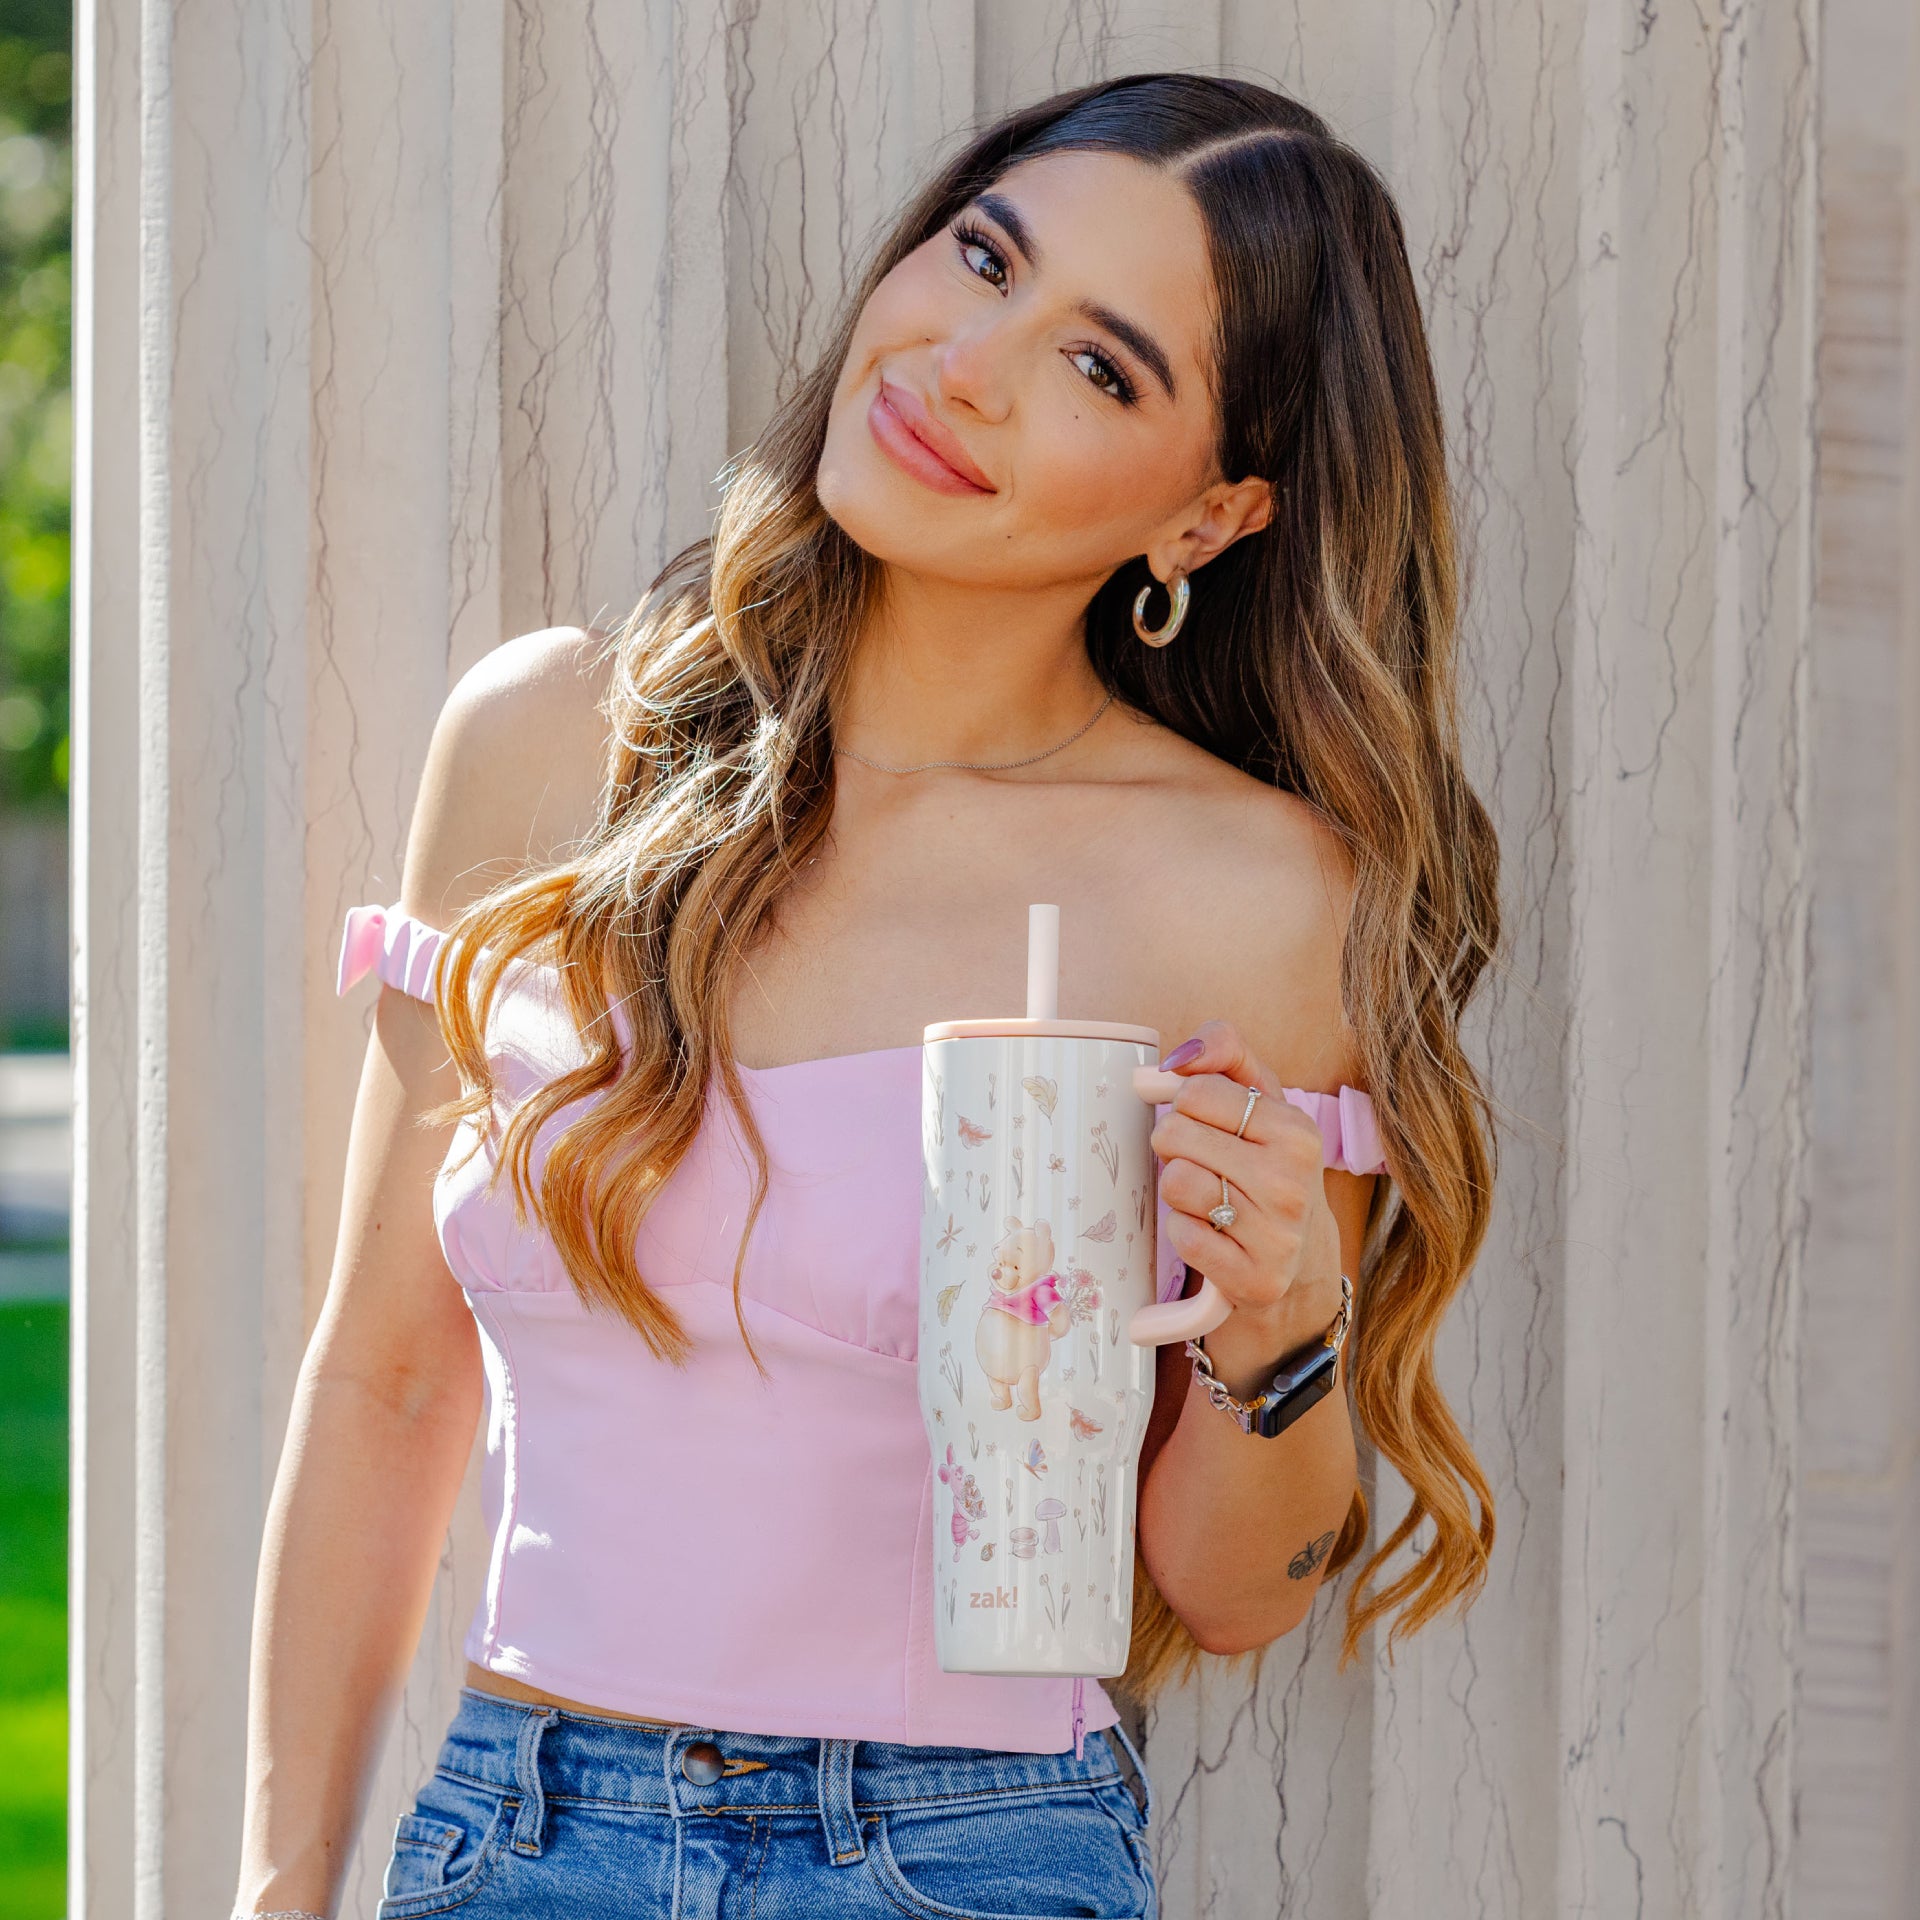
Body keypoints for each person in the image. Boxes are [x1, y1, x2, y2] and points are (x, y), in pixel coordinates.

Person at [230, 71, 1501, 1920]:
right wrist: (281, 1881)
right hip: (512, 1831)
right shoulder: (543, 749)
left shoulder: (1258, 897)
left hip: (953, 1853)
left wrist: (1279, 1329)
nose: (969, 361)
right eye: (984, 259)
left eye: (1100, 368)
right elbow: (381, 1372)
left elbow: (1244, 1589)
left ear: (1211, 518)